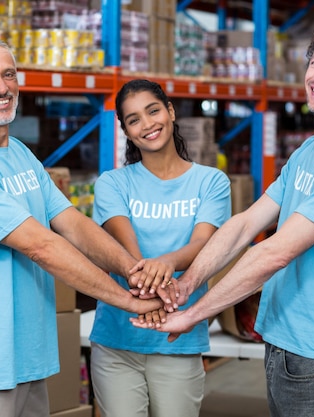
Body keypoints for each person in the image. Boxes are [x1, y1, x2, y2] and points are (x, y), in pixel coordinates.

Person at [132, 19, 314, 417]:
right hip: (287, 347)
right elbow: (244, 225)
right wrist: (188, 285)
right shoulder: (311, 149)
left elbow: (271, 254)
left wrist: (192, 316)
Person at [0, 37, 164, 417]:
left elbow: (73, 224)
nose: (1, 87)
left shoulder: (18, 153)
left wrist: (134, 272)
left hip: (26, 356)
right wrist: (128, 300)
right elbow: (40, 246)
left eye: (8, 74)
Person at [89, 79, 232, 417]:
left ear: (169, 111)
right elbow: (128, 252)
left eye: (153, 111)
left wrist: (167, 262)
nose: (147, 124)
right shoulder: (112, 183)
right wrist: (149, 292)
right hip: (117, 341)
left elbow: (203, 245)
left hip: (179, 338)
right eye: (134, 119)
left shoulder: (210, 182)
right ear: (125, 129)